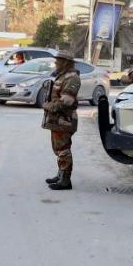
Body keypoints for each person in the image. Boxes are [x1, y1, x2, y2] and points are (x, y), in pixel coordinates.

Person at [42, 50, 81, 191]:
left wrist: (48, 106)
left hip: (65, 120)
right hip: (58, 119)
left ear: (66, 62)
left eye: (58, 60)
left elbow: (67, 101)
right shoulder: (63, 75)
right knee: (59, 149)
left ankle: (65, 181)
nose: (55, 62)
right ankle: (60, 175)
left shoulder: (72, 78)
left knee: (63, 149)